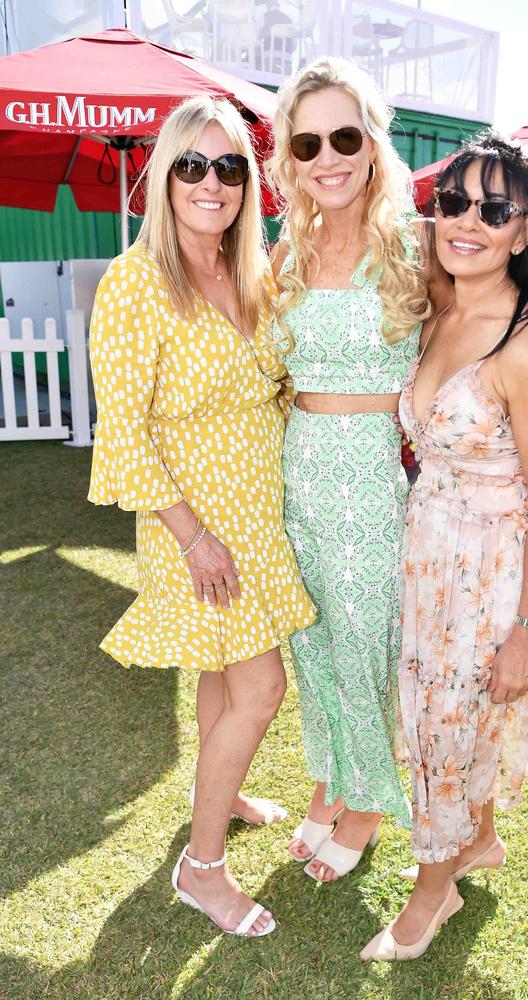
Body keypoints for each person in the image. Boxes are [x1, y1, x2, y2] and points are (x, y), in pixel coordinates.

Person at [361, 132, 528, 961]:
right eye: (455, 202)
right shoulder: (442, 301)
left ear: (525, 232)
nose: (468, 219)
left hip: (494, 574)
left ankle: (432, 892)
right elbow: (378, 229)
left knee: (446, 727)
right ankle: (475, 841)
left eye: (494, 209)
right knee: (447, 721)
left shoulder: (527, 349)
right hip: (429, 552)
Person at [88, 95, 315, 937]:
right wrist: (194, 537)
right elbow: (124, 431)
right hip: (196, 528)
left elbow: (276, 390)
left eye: (228, 166)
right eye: (192, 165)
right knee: (263, 686)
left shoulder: (252, 273)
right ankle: (202, 867)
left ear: (248, 181)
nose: (211, 182)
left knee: (225, 676)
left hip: (258, 514)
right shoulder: (136, 283)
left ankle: (217, 798)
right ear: (163, 180)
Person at [266, 56, 449, 883]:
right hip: (295, 474)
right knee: (313, 645)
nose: (327, 157)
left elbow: (474, 336)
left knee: (365, 646)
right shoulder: (287, 249)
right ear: (290, 157)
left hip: (372, 483)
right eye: (309, 143)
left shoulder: (415, 247)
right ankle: (330, 782)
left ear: (373, 141)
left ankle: (369, 805)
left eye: (345, 135)